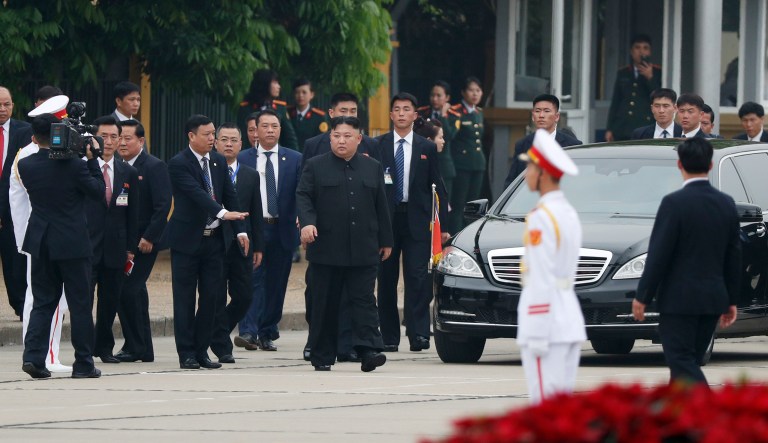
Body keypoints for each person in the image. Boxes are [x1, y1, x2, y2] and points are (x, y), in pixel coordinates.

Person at [633, 137, 740, 386]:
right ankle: (683, 420)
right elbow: (733, 256)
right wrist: (731, 300)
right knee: (687, 362)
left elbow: (659, 253)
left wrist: (643, 295)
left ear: (679, 164)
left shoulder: (674, 203)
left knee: (681, 361)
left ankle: (711, 412)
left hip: (679, 301)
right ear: (711, 166)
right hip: (713, 299)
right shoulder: (726, 204)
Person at [297, 116, 393, 372]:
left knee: (363, 300)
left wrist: (386, 239)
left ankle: (369, 350)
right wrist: (307, 223)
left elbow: (380, 206)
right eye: (336, 135)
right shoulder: (315, 166)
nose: (341, 140)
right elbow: (303, 196)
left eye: (347, 136)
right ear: (330, 138)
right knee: (324, 302)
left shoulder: (372, 167)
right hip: (326, 247)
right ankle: (322, 354)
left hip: (363, 246)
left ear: (359, 139)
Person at [19, 113, 105, 379]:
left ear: (34, 138)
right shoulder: (75, 165)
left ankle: (33, 357)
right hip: (72, 243)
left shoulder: (26, 165)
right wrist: (92, 160)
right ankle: (83, 363)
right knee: (80, 304)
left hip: (41, 240)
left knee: (43, 302)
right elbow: (98, 191)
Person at [166, 114, 249, 370]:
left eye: (214, 133)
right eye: (207, 134)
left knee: (212, 298)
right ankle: (186, 353)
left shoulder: (218, 161)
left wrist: (240, 231)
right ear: (191, 136)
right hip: (187, 242)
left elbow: (230, 196)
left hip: (214, 242)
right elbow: (197, 195)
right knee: (185, 299)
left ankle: (202, 351)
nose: (212, 138)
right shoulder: (179, 163)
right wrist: (222, 213)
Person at [516, 129, 584, 404]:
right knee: (561, 409)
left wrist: (538, 330)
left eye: (530, 167)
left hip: (548, 323)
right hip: (567, 317)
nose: (526, 174)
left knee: (545, 408)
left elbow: (541, 276)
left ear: (542, 172)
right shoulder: (567, 211)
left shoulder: (541, 217)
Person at [377, 92, 448, 352]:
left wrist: (444, 226)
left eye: (407, 109)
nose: (402, 113)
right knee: (386, 277)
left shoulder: (426, 147)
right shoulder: (379, 145)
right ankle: (388, 336)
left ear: (415, 115)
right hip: (387, 218)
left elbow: (437, 186)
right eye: (397, 109)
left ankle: (418, 333)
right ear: (391, 114)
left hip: (418, 219)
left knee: (418, 278)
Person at [11, 94, 71, 373]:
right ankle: (46, 355)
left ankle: (40, 353)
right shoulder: (34, 155)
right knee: (48, 299)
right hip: (46, 235)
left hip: (35, 235)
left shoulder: (27, 154)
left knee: (43, 298)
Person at [236, 109, 302, 352]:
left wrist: (302, 218)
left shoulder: (294, 158)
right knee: (251, 279)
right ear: (255, 130)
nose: (270, 130)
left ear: (280, 130)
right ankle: (248, 331)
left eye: (274, 126)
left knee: (276, 282)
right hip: (253, 227)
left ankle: (267, 331)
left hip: (282, 228)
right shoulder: (243, 159)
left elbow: (302, 192)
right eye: (265, 126)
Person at [115, 119, 172, 363]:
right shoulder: (115, 165)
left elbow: (162, 206)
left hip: (144, 242)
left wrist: (149, 236)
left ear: (141, 141)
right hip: (122, 240)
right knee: (134, 293)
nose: (123, 143)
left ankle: (135, 346)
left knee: (128, 291)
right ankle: (142, 348)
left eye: (128, 138)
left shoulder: (153, 166)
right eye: (120, 138)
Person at [209, 122, 264, 364]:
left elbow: (256, 212)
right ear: (216, 142)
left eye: (233, 140)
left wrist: (258, 246)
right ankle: (222, 346)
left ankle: (217, 330)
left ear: (241, 145)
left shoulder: (250, 175)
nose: (229, 144)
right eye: (224, 139)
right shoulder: (207, 171)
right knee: (217, 295)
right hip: (214, 243)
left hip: (242, 244)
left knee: (244, 296)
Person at [86, 116, 139, 364]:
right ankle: (84, 348)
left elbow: (133, 214)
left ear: (120, 140)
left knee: (109, 302)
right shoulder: (82, 167)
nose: (108, 142)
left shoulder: (129, 171)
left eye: (113, 137)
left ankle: (104, 348)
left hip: (116, 248)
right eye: (103, 136)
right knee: (84, 300)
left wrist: (130, 248)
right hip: (87, 245)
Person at [0, 86, 32, 320]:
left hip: (11, 212)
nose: (3, 109)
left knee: (15, 264)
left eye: (7, 104)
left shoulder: (25, 131)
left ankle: (22, 307)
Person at [505, 94, 582, 188]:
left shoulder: (572, 144)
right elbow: (512, 182)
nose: (541, 115)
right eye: (537, 111)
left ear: (557, 116)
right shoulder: (522, 145)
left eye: (546, 111)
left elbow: (577, 182)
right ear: (533, 116)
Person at [605, 34, 661, 142]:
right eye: (637, 48)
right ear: (631, 51)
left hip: (645, 126)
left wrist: (650, 78)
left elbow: (659, 98)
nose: (641, 52)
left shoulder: (658, 72)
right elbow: (616, 102)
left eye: (645, 48)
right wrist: (609, 128)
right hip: (623, 127)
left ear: (650, 52)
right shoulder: (623, 73)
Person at [447, 77, 486, 233]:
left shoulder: (479, 112)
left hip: (478, 163)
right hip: (461, 164)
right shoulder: (455, 111)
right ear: (463, 92)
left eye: (478, 90)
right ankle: (456, 236)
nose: (475, 94)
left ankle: (469, 235)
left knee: (473, 205)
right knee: (459, 204)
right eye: (471, 90)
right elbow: (451, 137)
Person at [302, 93, 380, 160]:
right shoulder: (313, 145)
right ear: (331, 113)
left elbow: (378, 175)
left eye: (353, 111)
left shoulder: (371, 144)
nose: (349, 115)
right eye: (343, 111)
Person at [237, 69, 298, 150]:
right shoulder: (246, 108)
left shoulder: (280, 108)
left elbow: (289, 139)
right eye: (275, 82)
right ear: (265, 84)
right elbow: (242, 138)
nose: (278, 86)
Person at [418, 80, 458, 198]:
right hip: (424, 162)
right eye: (432, 95)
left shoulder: (454, 115)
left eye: (439, 95)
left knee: (444, 202)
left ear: (447, 97)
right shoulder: (422, 112)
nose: (434, 99)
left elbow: (450, 136)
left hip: (444, 166)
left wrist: (443, 115)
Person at [288, 78, 328, 150]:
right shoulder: (287, 113)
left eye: (304, 92)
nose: (300, 95)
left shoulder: (319, 117)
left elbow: (322, 143)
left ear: (311, 94)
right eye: (297, 92)